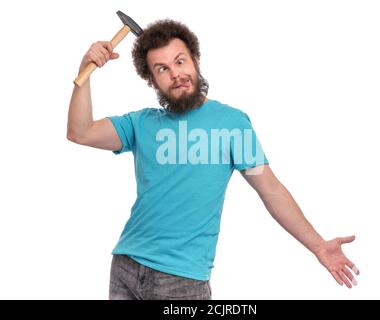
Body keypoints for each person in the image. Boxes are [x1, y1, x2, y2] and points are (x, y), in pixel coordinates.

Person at [67, 19, 359, 300]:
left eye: (180, 61)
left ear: (194, 60)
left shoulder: (232, 124)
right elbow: (80, 132)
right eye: (162, 69)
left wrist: (319, 246)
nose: (176, 74)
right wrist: (85, 72)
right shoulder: (140, 124)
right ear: (152, 80)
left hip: (181, 280)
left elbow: (271, 191)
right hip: (126, 265)